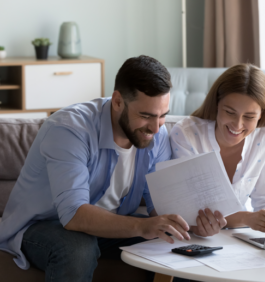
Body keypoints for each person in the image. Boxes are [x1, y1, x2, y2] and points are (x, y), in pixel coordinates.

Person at [0, 55, 225, 282]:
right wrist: (141, 226)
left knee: (184, 249)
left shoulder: (157, 135)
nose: (156, 128)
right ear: (118, 101)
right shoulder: (69, 130)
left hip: (112, 226)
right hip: (44, 226)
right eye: (146, 116)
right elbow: (73, 215)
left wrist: (193, 225)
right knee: (78, 249)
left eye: (162, 116)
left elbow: (160, 207)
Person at [170, 64, 265, 234]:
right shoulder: (186, 134)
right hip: (194, 238)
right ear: (216, 104)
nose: (237, 125)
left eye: (249, 117)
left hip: (237, 237)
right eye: (230, 112)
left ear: (261, 115)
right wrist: (247, 218)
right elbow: (192, 211)